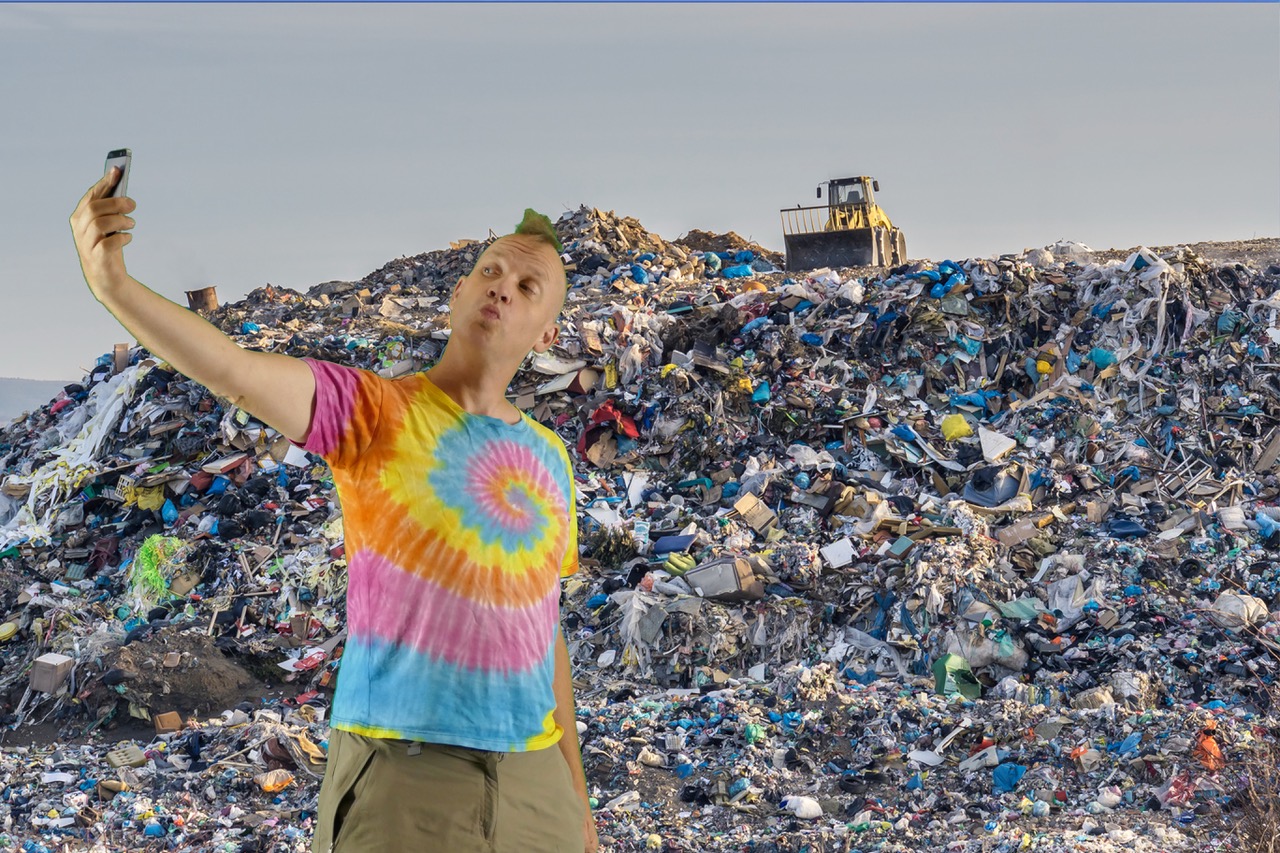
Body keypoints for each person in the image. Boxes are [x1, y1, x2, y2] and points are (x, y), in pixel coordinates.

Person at [70, 167, 599, 853]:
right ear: (458, 293)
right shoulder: (375, 411)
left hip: (537, 791)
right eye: (490, 270)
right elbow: (233, 367)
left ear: (548, 331)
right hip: (403, 779)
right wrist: (111, 281)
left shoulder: (551, 458)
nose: (503, 285)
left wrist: (575, 799)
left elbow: (543, 626)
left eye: (528, 286)